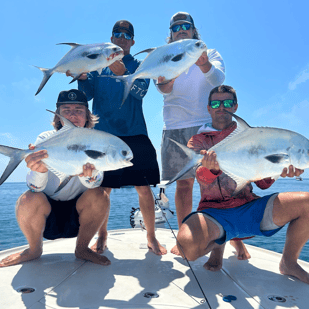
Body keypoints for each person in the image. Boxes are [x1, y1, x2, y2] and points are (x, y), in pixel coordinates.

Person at [176, 85, 309, 285]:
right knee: (186, 247)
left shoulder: (255, 139)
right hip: (213, 213)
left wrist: (278, 172)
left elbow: (263, 185)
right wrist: (212, 168)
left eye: (227, 102)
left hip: (249, 208)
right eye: (216, 103)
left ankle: (288, 263)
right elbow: (201, 179)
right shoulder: (198, 142)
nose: (221, 107)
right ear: (209, 108)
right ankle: (220, 242)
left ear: (235, 107)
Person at [73, 20, 166, 255]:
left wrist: (125, 72)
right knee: (104, 189)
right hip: (103, 135)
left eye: (126, 35)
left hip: (135, 133)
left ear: (132, 41)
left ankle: (151, 237)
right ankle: (102, 235)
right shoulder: (98, 65)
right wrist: (82, 78)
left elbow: (141, 92)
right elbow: (88, 94)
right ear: (111, 39)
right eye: (117, 34)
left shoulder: (140, 64)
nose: (122, 37)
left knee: (144, 188)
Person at [0, 89, 111, 267]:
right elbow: (35, 188)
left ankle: (82, 248)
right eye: (66, 111)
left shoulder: (96, 140)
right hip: (47, 215)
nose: (73, 115)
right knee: (29, 198)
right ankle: (34, 250)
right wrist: (40, 170)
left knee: (100, 194)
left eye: (79, 110)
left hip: (79, 215)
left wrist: (89, 176)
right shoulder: (45, 138)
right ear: (59, 116)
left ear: (87, 116)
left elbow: (95, 183)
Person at [156, 12, 228, 256]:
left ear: (194, 31)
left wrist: (203, 62)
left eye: (186, 26)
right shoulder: (165, 55)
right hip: (174, 127)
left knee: (215, 185)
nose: (182, 29)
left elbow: (218, 79)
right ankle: (184, 239)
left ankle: (221, 243)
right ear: (172, 33)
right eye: (177, 27)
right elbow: (163, 89)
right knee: (184, 187)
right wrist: (173, 67)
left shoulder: (211, 53)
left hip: (204, 128)